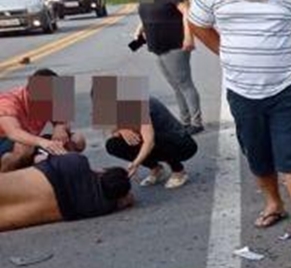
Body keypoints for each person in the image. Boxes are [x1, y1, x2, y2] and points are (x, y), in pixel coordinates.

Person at [188, 0, 291, 244]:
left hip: (287, 88)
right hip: (241, 90)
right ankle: (274, 203)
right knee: (257, 152)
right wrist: (224, 51)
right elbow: (197, 22)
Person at [133, 0, 204, 135]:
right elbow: (148, 12)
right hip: (156, 43)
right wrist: (139, 29)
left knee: (184, 83)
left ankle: (196, 122)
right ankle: (185, 121)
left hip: (175, 42)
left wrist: (189, 38)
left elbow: (186, 11)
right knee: (175, 85)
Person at [0, 153, 134, 233]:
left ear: (102, 171)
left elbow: (41, 158)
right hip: (19, 215)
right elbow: (128, 199)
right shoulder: (101, 206)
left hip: (27, 182)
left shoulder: (76, 162)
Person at [0, 69, 86, 173]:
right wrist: (43, 143)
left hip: (31, 140)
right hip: (6, 141)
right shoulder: (8, 102)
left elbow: (64, 121)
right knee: (25, 146)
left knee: (78, 140)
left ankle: (69, 177)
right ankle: (4, 180)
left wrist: (60, 127)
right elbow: (13, 133)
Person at [105, 96, 198, 189]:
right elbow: (111, 131)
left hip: (181, 143)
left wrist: (135, 163)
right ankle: (156, 169)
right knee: (113, 144)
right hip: (155, 139)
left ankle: (179, 171)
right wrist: (122, 129)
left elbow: (149, 141)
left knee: (154, 137)